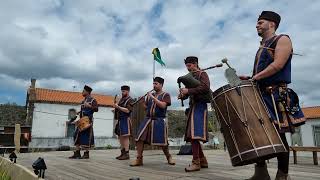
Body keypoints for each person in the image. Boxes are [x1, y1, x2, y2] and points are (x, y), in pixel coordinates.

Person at [240, 11, 305, 180]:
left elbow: (278, 65)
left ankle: (282, 175)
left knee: (278, 135)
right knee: (259, 135)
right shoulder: (262, 46)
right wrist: (251, 77)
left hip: (275, 94)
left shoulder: (282, 39)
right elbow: (262, 72)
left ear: (272, 24)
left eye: (261, 22)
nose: (257, 25)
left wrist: (256, 77)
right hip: (261, 95)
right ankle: (261, 173)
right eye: (257, 22)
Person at [130, 77, 175, 166]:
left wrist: (152, 97)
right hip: (147, 120)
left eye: (156, 84)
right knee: (139, 138)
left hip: (159, 120)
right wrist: (142, 102)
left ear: (161, 85)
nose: (154, 85)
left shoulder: (166, 95)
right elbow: (146, 108)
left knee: (162, 142)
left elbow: (162, 105)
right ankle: (139, 159)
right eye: (153, 83)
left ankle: (169, 156)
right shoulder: (150, 96)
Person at [179, 56, 211, 172]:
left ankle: (196, 162)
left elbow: (206, 87)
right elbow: (189, 92)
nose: (188, 68)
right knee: (192, 135)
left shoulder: (202, 74)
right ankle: (202, 160)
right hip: (193, 106)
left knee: (194, 135)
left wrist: (189, 91)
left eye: (190, 65)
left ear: (195, 64)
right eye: (187, 66)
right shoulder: (191, 76)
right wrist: (184, 94)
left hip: (200, 106)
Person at [69, 85, 98, 159]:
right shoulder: (83, 101)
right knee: (76, 135)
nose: (82, 92)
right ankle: (77, 152)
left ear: (87, 92)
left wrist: (89, 106)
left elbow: (96, 109)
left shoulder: (92, 100)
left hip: (87, 121)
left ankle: (86, 153)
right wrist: (80, 112)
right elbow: (84, 110)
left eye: (83, 91)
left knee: (86, 137)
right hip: (81, 121)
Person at [114, 85, 134, 160]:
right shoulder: (121, 100)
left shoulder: (130, 100)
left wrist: (118, 107)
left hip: (125, 120)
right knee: (120, 137)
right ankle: (122, 153)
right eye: (122, 91)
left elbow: (128, 110)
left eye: (124, 91)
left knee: (125, 137)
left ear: (128, 91)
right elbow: (118, 109)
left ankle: (127, 153)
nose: (122, 92)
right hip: (120, 120)